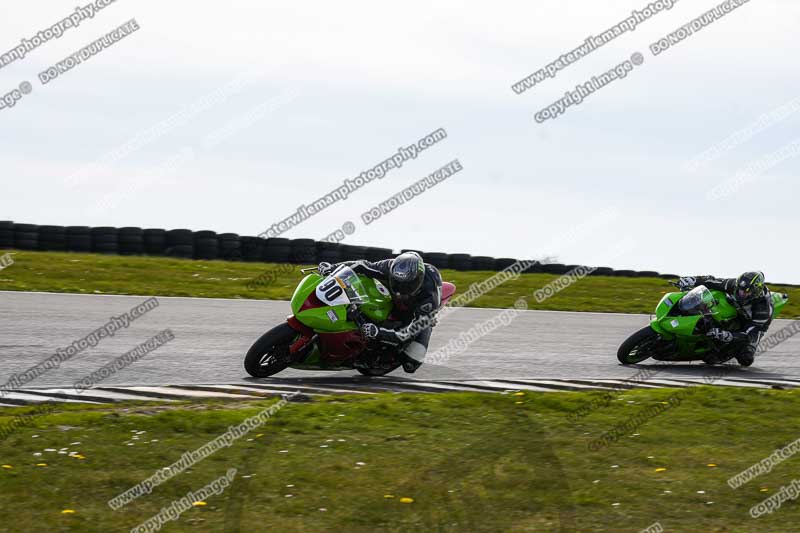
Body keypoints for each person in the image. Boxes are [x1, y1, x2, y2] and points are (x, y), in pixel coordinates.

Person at [318, 252, 442, 373]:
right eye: (397, 283)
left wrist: (378, 332)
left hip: (417, 311)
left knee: (411, 364)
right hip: (390, 295)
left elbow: (408, 333)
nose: (400, 290)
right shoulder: (388, 266)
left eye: (406, 286)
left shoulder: (429, 298)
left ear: (418, 281)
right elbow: (362, 265)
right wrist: (333, 267)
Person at [676, 271, 772, 367]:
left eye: (745, 292)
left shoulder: (762, 309)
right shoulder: (734, 285)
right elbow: (711, 281)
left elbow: (749, 334)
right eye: (740, 290)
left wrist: (727, 335)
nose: (741, 294)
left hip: (753, 324)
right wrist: (691, 280)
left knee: (746, 359)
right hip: (737, 309)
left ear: (755, 292)